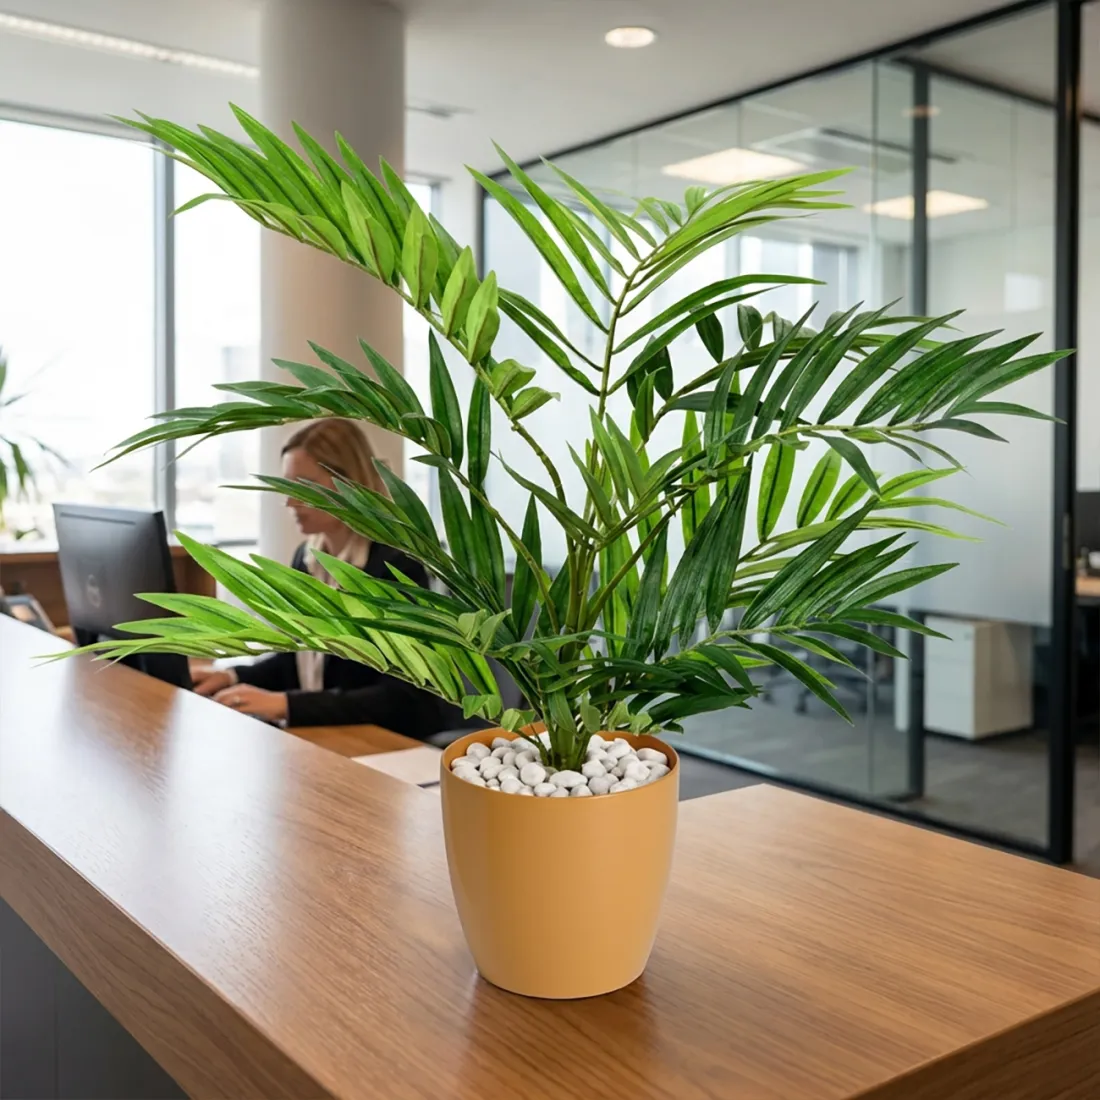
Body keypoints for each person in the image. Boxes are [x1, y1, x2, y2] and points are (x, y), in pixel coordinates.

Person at [191, 419, 446, 737]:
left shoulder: (398, 565)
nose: (289, 502)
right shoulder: (308, 556)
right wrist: (232, 676)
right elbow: (299, 664)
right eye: (286, 486)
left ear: (349, 484)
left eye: (304, 486)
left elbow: (404, 698)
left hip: (385, 745)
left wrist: (286, 705)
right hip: (325, 737)